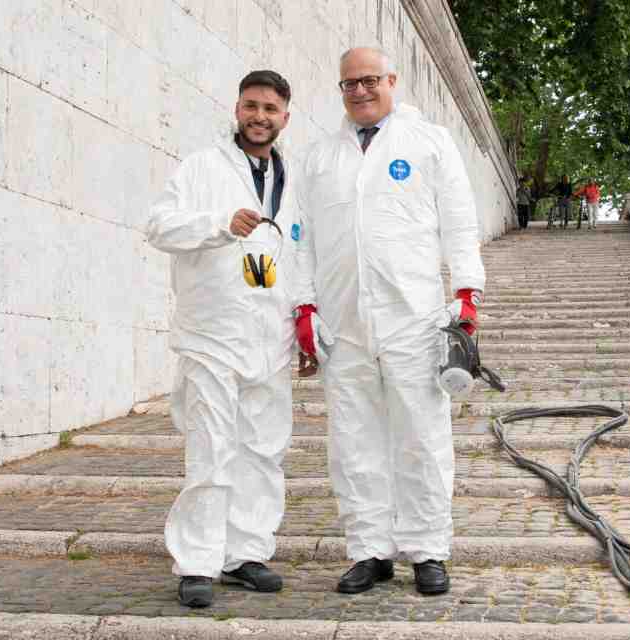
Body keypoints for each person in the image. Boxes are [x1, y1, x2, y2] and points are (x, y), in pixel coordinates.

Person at [293, 47, 486, 596]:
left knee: (421, 437)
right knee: (354, 441)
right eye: (349, 83)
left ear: (391, 81)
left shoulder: (428, 143)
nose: (359, 90)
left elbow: (459, 220)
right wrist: (304, 305)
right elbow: (300, 237)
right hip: (345, 322)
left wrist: (467, 294)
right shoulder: (320, 157)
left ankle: (428, 549)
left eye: (369, 80)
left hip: (414, 320)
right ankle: (369, 551)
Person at [146, 70, 298, 608]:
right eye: (251, 106)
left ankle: (245, 554)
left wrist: (304, 322)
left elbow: (304, 253)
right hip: (212, 332)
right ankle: (198, 561)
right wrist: (218, 224)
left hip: (271, 335)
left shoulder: (292, 177)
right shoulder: (202, 167)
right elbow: (158, 225)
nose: (260, 117)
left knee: (263, 448)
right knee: (211, 448)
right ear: (237, 108)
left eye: (271, 109)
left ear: (285, 116)